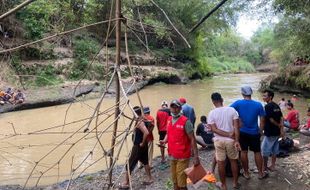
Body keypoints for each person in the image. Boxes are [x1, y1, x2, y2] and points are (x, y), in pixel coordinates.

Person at [161, 100, 200, 190]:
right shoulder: (169, 119)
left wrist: (196, 156)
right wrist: (164, 141)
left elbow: (192, 139)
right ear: (170, 108)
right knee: (175, 182)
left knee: (182, 184)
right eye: (172, 107)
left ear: (180, 108)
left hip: (183, 156)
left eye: (176, 107)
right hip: (172, 155)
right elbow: (168, 132)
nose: (174, 109)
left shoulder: (186, 122)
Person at [230, 86, 267, 179]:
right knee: (257, 152)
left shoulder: (238, 103)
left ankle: (246, 173)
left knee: (244, 152)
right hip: (254, 132)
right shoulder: (258, 104)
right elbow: (262, 119)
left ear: (242, 94)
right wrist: (261, 130)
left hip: (242, 132)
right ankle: (260, 173)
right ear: (251, 93)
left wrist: (238, 120)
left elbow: (228, 111)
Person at [208, 92, 241, 190]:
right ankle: (235, 183)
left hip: (218, 141)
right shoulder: (232, 110)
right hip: (231, 141)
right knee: (233, 161)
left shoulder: (211, 113)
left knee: (221, 163)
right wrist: (236, 140)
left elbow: (213, 129)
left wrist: (226, 134)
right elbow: (236, 127)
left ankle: (224, 185)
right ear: (222, 100)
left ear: (213, 102)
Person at [120, 106, 153, 189]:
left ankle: (126, 182)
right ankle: (150, 178)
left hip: (138, 146)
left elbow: (146, 132)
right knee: (145, 162)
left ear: (134, 113)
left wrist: (142, 142)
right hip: (143, 146)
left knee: (130, 163)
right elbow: (151, 126)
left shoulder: (140, 122)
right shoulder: (143, 119)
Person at [261, 90, 284, 172]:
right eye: (263, 96)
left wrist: (261, 131)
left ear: (270, 97)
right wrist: (281, 129)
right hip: (277, 132)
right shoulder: (276, 105)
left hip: (270, 132)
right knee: (274, 149)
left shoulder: (267, 106)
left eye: (265, 96)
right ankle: (273, 166)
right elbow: (281, 117)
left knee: (264, 150)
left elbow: (270, 119)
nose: (263, 97)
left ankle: (264, 167)